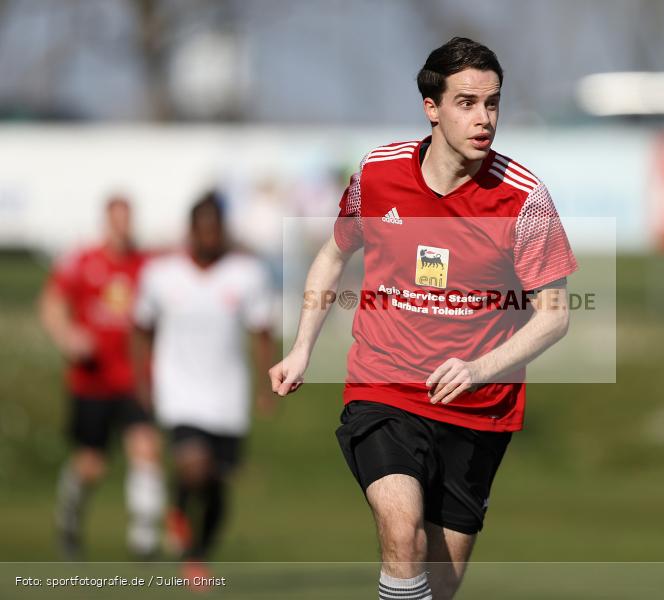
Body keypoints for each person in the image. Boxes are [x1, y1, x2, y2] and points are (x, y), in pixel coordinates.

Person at [270, 38, 577, 600]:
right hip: (384, 385)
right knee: (401, 531)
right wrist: (301, 348)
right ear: (431, 107)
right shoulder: (380, 174)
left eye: (492, 103)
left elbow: (554, 317)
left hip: (479, 409)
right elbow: (334, 254)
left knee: (436, 586)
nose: (484, 118)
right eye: (466, 102)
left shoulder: (524, 198)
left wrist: (480, 367)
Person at [132, 192, 275, 581]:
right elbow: (142, 329)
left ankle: (197, 550)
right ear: (191, 230)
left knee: (215, 482)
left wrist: (267, 384)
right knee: (194, 466)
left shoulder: (246, 274)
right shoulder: (161, 275)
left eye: (217, 230)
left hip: (227, 395)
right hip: (179, 392)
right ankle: (186, 535)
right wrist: (142, 380)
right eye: (204, 230)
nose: (211, 238)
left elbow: (262, 331)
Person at [39, 195, 164, 559]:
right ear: (106, 222)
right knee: (91, 464)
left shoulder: (147, 265)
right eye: (116, 220)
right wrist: (67, 336)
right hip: (91, 380)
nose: (122, 228)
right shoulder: (82, 262)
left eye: (128, 220)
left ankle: (144, 541)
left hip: (135, 378)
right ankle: (69, 516)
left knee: (145, 448)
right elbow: (51, 303)